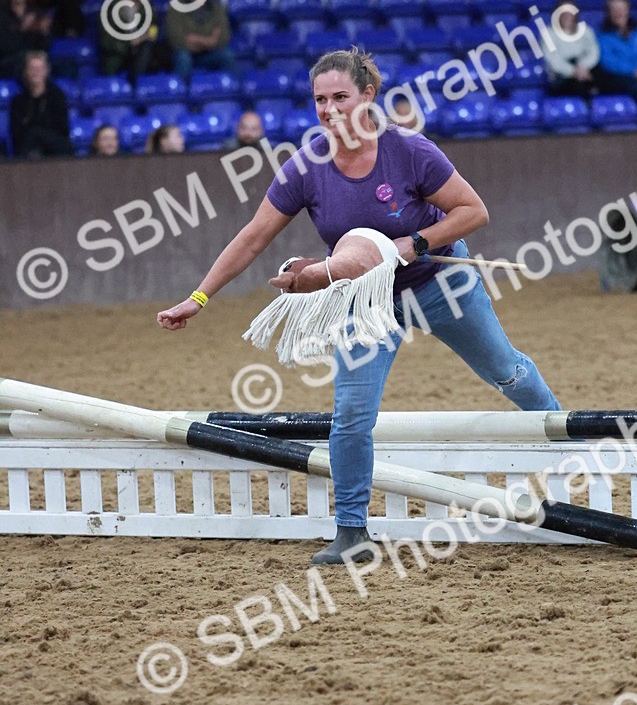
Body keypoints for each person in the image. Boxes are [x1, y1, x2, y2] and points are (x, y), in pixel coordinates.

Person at [156, 47, 560, 565]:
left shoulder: (411, 151)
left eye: (340, 97)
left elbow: (473, 211)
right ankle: (352, 532)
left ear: (367, 95)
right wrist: (198, 297)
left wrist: (413, 244)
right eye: (319, 100)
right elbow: (254, 236)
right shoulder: (305, 167)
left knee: (505, 370)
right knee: (350, 414)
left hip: (440, 282)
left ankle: (560, 433)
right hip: (364, 301)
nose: (328, 109)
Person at [165, 0, 234, 79]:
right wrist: (209, 40)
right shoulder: (176, 8)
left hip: (210, 53)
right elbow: (176, 39)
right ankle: (181, 93)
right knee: (183, 57)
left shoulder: (216, 8)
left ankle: (231, 90)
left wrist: (194, 38)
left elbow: (224, 37)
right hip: (185, 53)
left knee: (227, 55)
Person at [100, 0, 164, 83]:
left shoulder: (147, 7)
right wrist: (129, 43)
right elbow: (106, 39)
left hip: (143, 49)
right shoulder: (111, 8)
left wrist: (143, 38)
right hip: (120, 52)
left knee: (151, 48)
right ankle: (135, 84)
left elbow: (153, 29)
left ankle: (138, 83)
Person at [10, 51, 71, 157]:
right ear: (25, 72)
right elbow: (16, 132)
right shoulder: (18, 101)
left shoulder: (57, 97)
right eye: (32, 69)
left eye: (39, 69)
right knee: (31, 137)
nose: (36, 73)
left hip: (55, 147)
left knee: (34, 133)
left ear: (46, 71)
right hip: (28, 146)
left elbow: (62, 128)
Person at [0, 0, 52, 79]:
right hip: (10, 62)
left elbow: (45, 47)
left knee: (68, 65)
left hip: (36, 59)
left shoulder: (37, 12)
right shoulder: (2, 15)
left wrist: (43, 32)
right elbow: (5, 49)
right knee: (27, 62)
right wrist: (22, 29)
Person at [546, 0, 600, 97]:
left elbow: (593, 52)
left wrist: (583, 67)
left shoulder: (586, 31)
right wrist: (573, 71)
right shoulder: (549, 34)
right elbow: (553, 60)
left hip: (585, 69)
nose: (567, 14)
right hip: (563, 75)